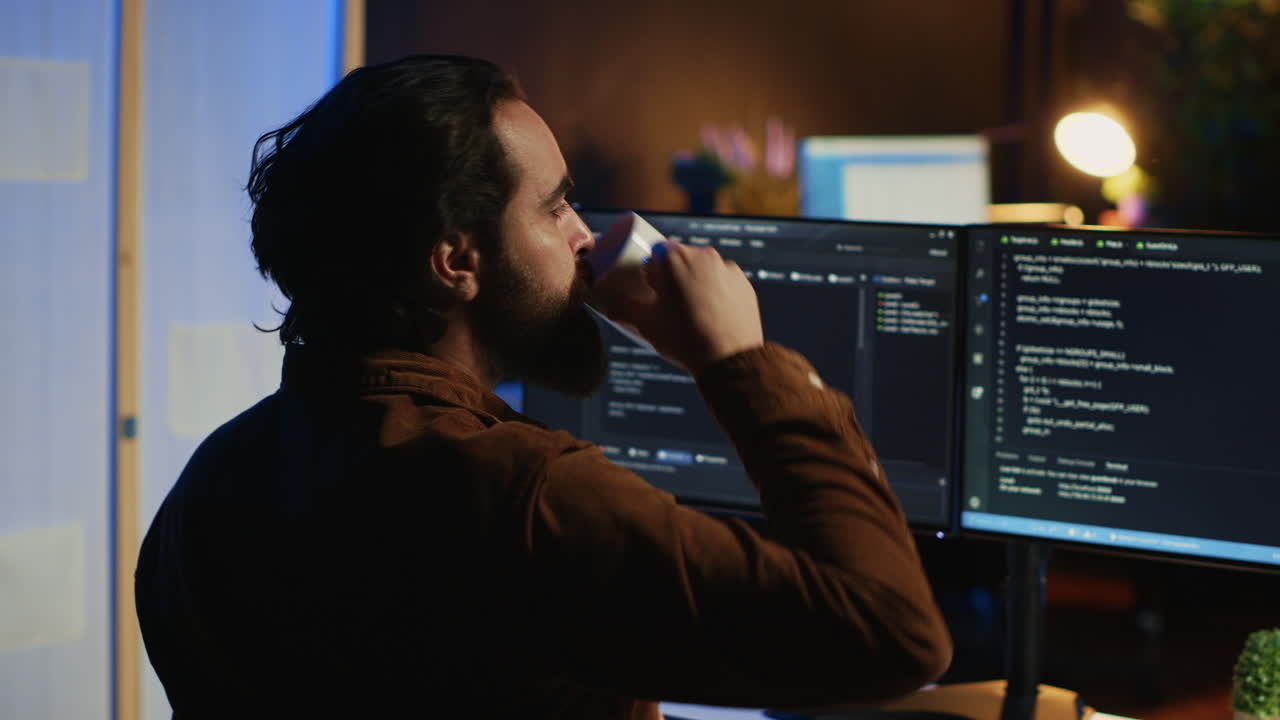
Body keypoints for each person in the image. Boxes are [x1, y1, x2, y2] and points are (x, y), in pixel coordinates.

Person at [135, 55, 952, 719]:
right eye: (557, 207)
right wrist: (739, 360)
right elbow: (892, 633)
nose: (585, 239)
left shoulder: (208, 486)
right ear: (457, 262)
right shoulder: (526, 497)